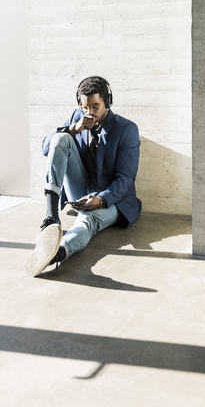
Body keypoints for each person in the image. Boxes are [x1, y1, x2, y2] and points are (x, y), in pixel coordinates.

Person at [26, 76, 142, 276]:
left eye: (95, 106)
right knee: (61, 138)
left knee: (88, 219)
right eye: (84, 107)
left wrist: (101, 199)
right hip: (81, 188)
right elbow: (47, 147)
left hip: (112, 198)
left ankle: (59, 252)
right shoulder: (76, 117)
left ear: (107, 101)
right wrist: (73, 129)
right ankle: (51, 217)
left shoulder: (126, 129)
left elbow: (126, 178)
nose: (89, 112)